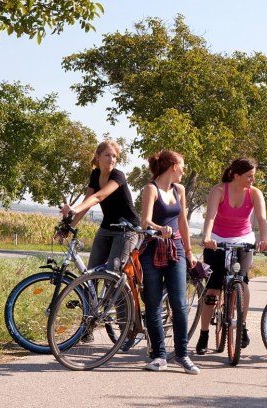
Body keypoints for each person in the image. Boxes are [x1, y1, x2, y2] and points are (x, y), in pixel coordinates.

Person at [195, 158, 267, 355]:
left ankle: (242, 325)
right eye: (249, 176)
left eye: (254, 175)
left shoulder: (254, 193)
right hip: (217, 239)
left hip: (243, 238)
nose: (252, 179)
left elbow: (261, 218)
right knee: (213, 289)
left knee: (242, 282)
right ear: (236, 176)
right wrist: (207, 237)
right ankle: (203, 334)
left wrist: (263, 239)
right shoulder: (218, 191)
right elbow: (210, 216)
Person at [137, 150, 199, 374]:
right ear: (173, 166)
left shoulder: (179, 189)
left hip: (176, 250)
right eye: (182, 165)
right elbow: (145, 221)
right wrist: (158, 228)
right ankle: (160, 356)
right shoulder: (150, 189)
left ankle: (182, 354)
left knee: (179, 304)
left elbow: (183, 222)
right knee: (152, 304)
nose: (184, 170)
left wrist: (190, 252)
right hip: (152, 249)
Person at [60, 139, 140, 271]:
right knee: (91, 273)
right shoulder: (95, 174)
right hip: (107, 227)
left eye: (114, 156)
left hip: (127, 230)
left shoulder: (118, 175)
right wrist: (70, 227)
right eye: (108, 155)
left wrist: (74, 209)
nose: (112, 159)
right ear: (98, 157)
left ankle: (119, 291)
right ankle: (92, 293)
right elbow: (87, 203)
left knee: (112, 274)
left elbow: (98, 197)